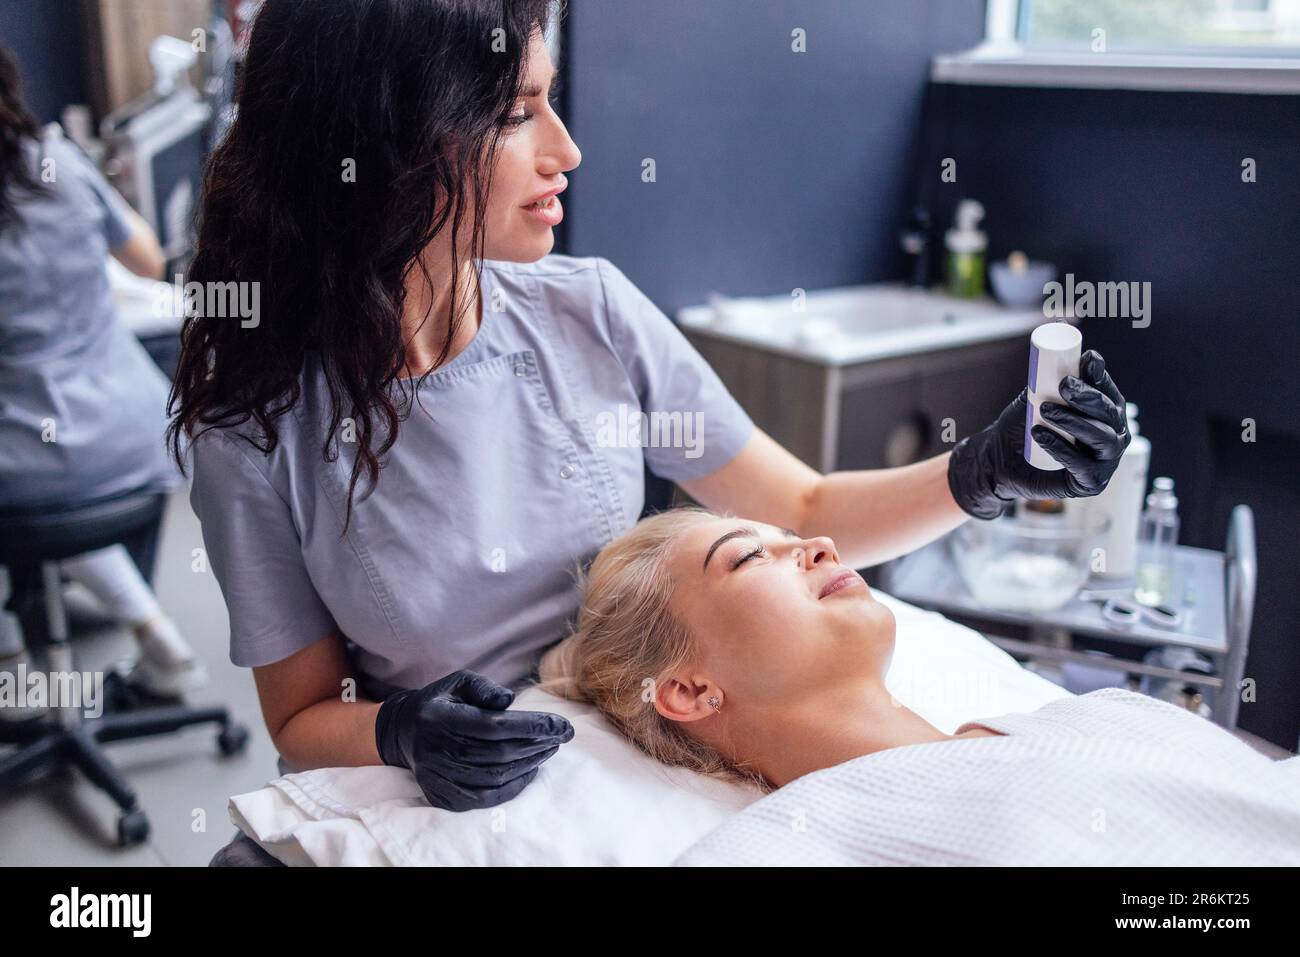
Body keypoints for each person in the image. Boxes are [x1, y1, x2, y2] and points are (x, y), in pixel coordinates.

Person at [172, 0, 1129, 815]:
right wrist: (399, 729)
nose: (569, 151)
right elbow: (301, 714)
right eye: (520, 113)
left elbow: (800, 510)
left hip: (643, 746)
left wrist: (986, 471)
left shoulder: (588, 311)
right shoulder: (255, 433)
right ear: (389, 146)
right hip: (462, 802)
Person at [538, 508, 1300, 865]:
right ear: (689, 688)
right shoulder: (773, 850)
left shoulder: (1107, 712)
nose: (817, 542)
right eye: (748, 557)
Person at [0, 44, 204, 699]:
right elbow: (146, 258)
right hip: (135, 434)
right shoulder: (55, 160)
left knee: (33, 468)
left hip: (28, 460)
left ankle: (10, 670)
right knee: (50, 468)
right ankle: (151, 623)